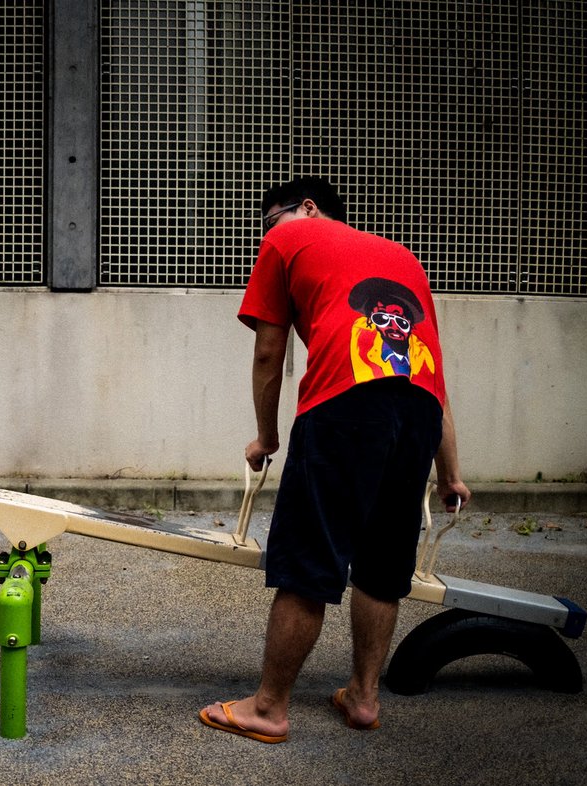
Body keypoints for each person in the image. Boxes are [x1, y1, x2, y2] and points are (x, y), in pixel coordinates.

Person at [199, 177, 471, 743]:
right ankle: (363, 698)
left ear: (307, 208)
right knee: (383, 565)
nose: (264, 233)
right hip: (414, 415)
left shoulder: (286, 240)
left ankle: (269, 709)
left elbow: (271, 350)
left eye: (269, 218)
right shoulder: (404, 258)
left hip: (344, 407)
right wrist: (450, 473)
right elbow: (434, 379)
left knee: (309, 558)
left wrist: (266, 437)